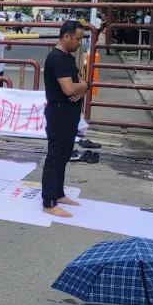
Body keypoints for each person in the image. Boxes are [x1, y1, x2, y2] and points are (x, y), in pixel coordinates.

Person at [41, 21, 89, 218]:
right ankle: (49, 201)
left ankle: (58, 193)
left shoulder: (68, 57)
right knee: (55, 156)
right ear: (66, 36)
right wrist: (84, 86)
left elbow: (77, 84)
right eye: (77, 38)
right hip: (59, 113)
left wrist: (83, 86)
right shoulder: (56, 58)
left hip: (69, 114)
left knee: (64, 155)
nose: (79, 43)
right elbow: (69, 88)